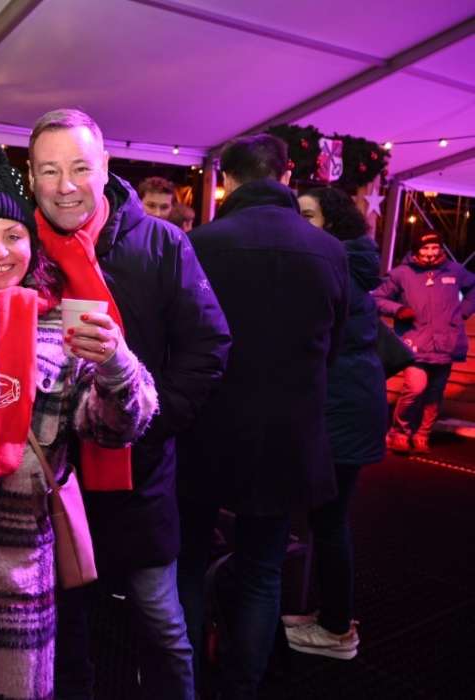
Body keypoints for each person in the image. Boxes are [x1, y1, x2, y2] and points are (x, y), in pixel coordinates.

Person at [0, 110, 228, 699]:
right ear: (33, 177)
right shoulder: (18, 241)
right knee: (66, 636)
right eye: (50, 170)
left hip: (136, 473)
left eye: (80, 167)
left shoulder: (158, 243)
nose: (66, 184)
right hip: (49, 486)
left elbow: (207, 348)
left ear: (105, 166)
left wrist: (148, 424)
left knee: (160, 621)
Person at [176, 135, 349, 698]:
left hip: (207, 427)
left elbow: (180, 342)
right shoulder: (330, 251)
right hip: (288, 433)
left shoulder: (198, 244)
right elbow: (333, 348)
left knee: (187, 562)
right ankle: (242, 688)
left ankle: (185, 682)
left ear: (226, 180)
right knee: (261, 571)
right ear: (287, 175)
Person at [278, 187, 387, 659]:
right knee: (328, 519)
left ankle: (338, 629)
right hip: (353, 405)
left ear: (332, 223)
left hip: (342, 409)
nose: (298, 223)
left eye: (308, 215)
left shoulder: (331, 268)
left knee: (330, 520)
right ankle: (330, 616)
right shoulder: (349, 263)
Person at [373, 230, 475, 454]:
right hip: (415, 342)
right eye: (425, 248)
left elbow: (473, 288)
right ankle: (399, 432)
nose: (430, 252)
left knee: (435, 394)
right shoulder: (402, 273)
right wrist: (398, 309)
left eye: (434, 247)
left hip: (445, 343)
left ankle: (422, 435)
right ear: (416, 250)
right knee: (415, 389)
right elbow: (377, 298)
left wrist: (464, 311)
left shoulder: (454, 270)